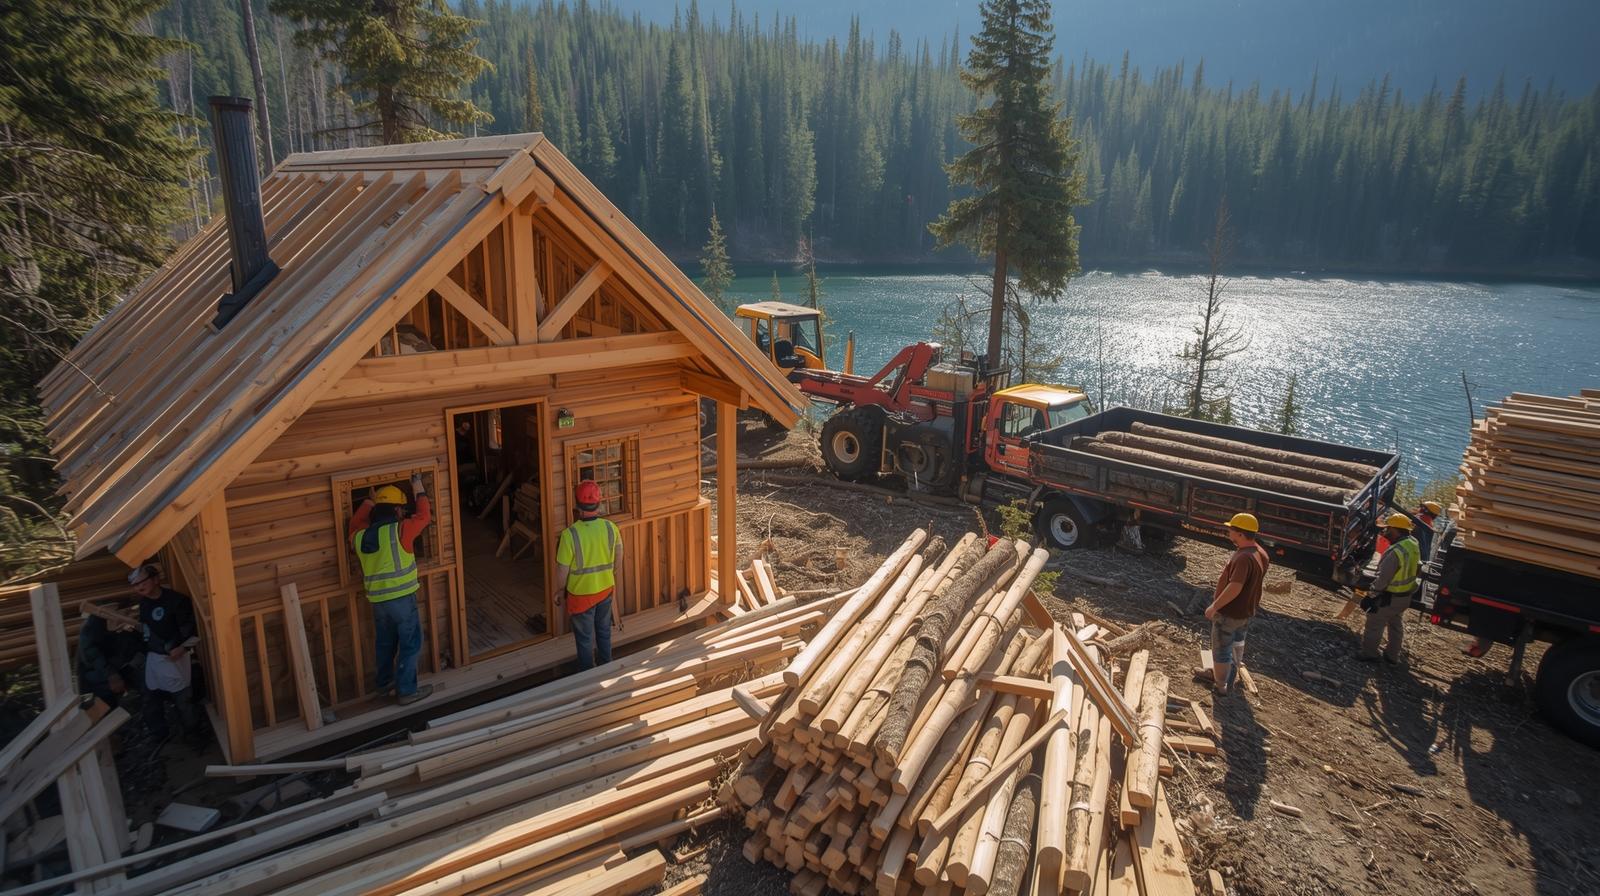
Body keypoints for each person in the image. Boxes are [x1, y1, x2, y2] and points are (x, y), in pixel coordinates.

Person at [349, 475, 433, 705]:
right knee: (411, 641)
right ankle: (406, 691)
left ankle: (384, 685)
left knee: (385, 643)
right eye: (401, 509)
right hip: (401, 599)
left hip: (378, 601)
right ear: (396, 510)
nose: (403, 513)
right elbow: (425, 516)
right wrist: (418, 487)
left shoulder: (359, 536)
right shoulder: (400, 530)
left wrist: (369, 501)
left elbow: (356, 521)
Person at [554, 479, 623, 670]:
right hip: (605, 590)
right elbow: (619, 558)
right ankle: (606, 667)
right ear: (599, 504)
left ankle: (587, 675)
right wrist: (610, 576)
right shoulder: (611, 528)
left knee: (584, 639)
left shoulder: (569, 535)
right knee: (603, 632)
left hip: (580, 596)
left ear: (577, 505)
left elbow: (562, 570)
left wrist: (560, 591)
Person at [1203, 513, 1271, 695]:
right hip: (1246, 611)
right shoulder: (1260, 553)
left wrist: (1215, 606)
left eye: (1231, 529)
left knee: (1221, 650)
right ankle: (1227, 676)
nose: (1228, 532)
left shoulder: (1243, 558)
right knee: (1237, 643)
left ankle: (1221, 685)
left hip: (1230, 613)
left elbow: (1235, 587)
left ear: (1240, 533)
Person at [130, 564, 198, 742]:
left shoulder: (177, 601)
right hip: (155, 657)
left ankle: (192, 732)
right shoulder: (144, 605)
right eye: (135, 585)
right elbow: (147, 630)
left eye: (142, 582)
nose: (139, 587)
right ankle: (159, 734)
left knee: (183, 698)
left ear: (155, 580)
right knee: (151, 696)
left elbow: (192, 629)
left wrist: (183, 648)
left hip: (177, 656)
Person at [1360, 512, 1421, 664]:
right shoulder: (1412, 542)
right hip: (1404, 596)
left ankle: (1369, 653)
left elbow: (1383, 579)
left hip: (1390, 597)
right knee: (1395, 624)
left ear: (1396, 530)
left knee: (1374, 623)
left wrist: (1371, 595)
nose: (1385, 532)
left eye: (1388, 529)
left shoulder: (1396, 551)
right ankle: (1392, 655)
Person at [77, 600, 141, 710]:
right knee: (105, 709)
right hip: (99, 677)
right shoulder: (93, 627)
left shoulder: (123, 625)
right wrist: (111, 674)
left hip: (119, 670)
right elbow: (91, 653)